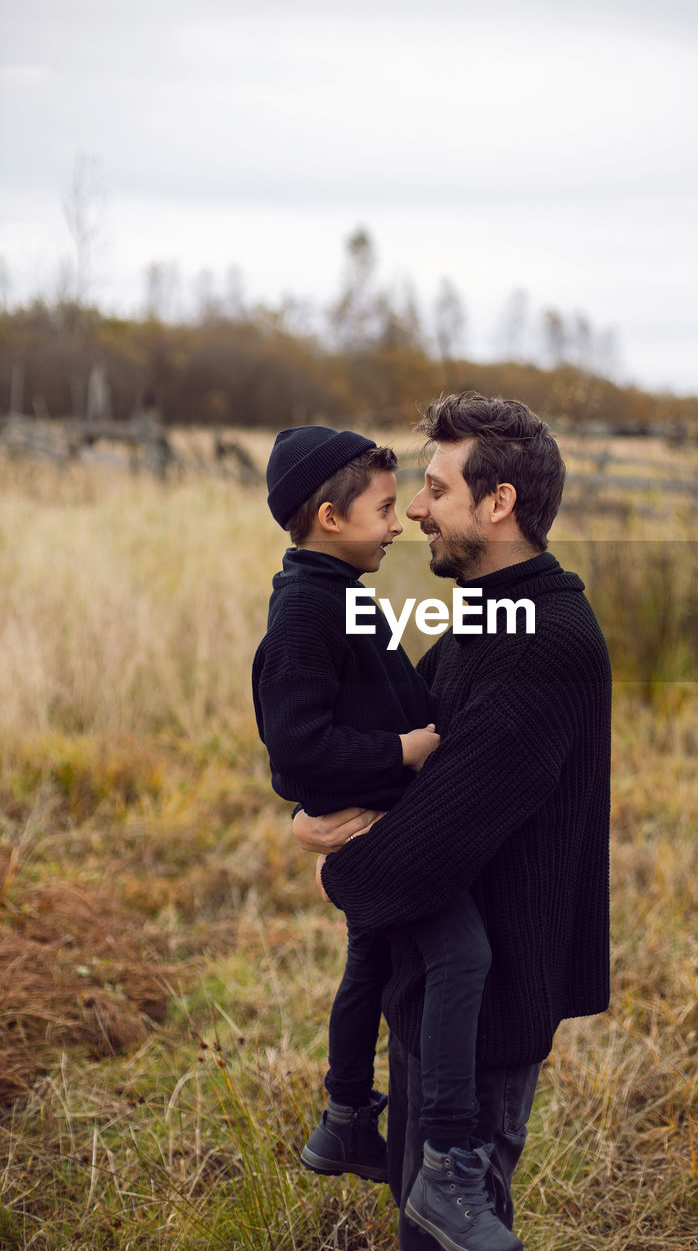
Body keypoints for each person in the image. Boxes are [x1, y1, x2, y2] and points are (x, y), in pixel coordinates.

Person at [296, 393, 612, 1251]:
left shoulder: (541, 643)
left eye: (436, 488)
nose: (418, 510)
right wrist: (316, 802)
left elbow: (425, 847)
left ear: (498, 502)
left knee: (445, 1232)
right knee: (419, 1223)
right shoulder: (489, 614)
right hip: (434, 988)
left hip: (485, 1010)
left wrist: (335, 866)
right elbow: (389, 743)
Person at [252, 425, 510, 1248]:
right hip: (371, 825)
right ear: (330, 517)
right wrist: (402, 753)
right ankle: (445, 1163)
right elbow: (294, 742)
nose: (398, 524)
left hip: (375, 815)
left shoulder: (340, 592)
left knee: (369, 959)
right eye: (384, 509)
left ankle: (343, 1118)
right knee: (461, 955)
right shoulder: (304, 608)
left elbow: (390, 689)